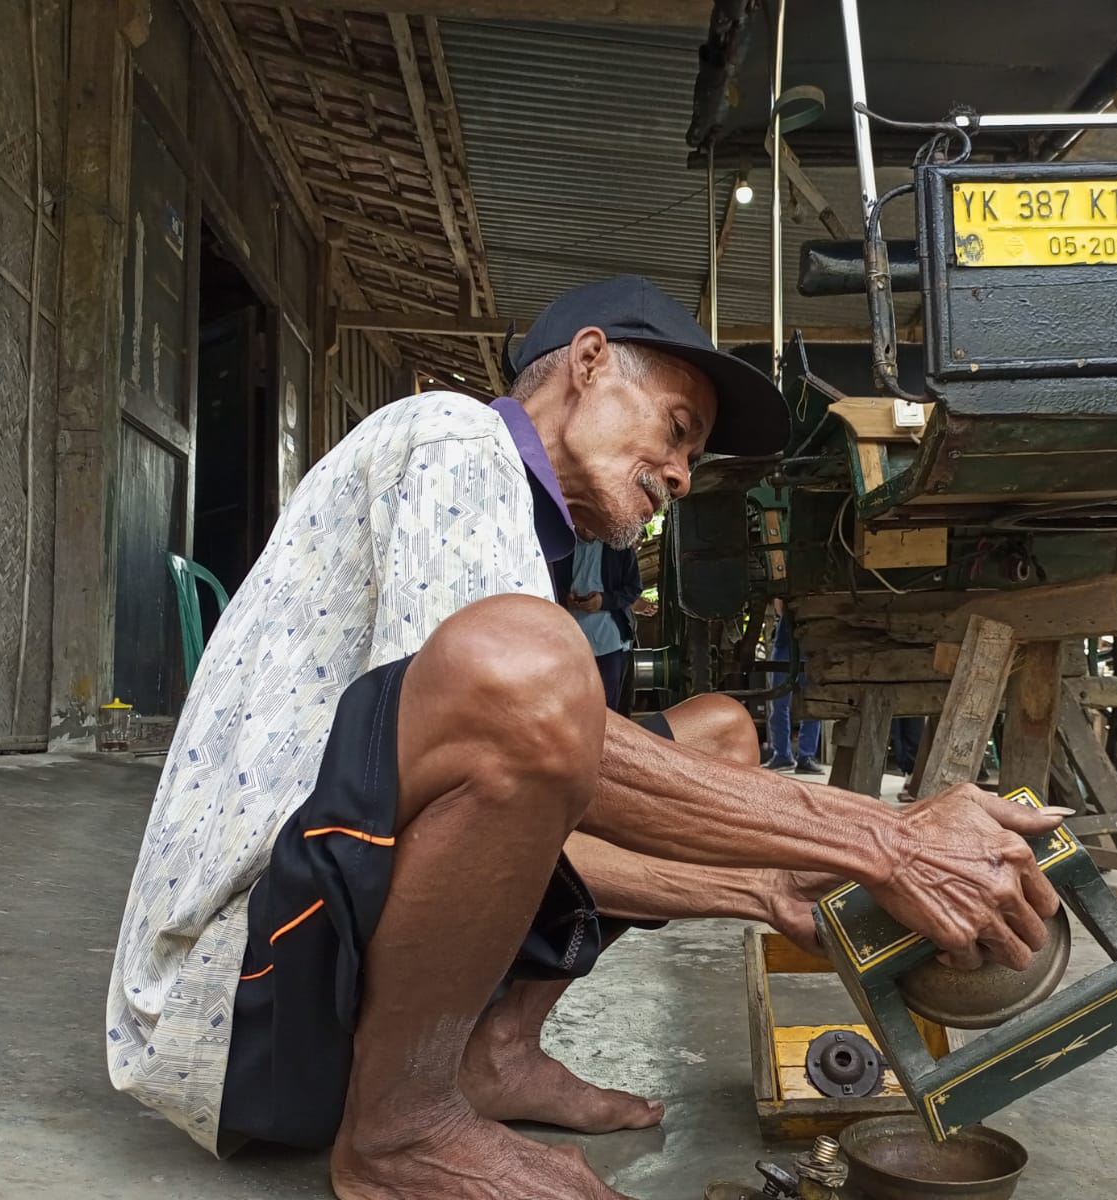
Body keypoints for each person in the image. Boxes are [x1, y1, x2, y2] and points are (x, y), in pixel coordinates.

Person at [106, 275, 1067, 1200]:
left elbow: (517, 820)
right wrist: (883, 840)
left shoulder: (526, 536)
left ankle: (495, 1052)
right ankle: (399, 1129)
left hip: (321, 946)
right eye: (676, 432)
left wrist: (762, 888)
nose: (683, 477)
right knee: (536, 666)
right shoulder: (454, 436)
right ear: (590, 362)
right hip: (233, 1000)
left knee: (720, 734)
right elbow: (519, 736)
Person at [557, 532, 643, 711]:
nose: (587, 529)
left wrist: (603, 601)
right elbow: (553, 584)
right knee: (575, 702)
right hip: (571, 638)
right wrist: (567, 598)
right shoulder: (563, 547)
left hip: (609, 639)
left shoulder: (618, 547)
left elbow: (633, 589)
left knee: (609, 706)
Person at [763, 600, 822, 773]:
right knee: (779, 702)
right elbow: (780, 607)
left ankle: (805, 756)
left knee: (811, 701)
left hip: (806, 639)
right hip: (787, 639)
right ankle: (784, 755)